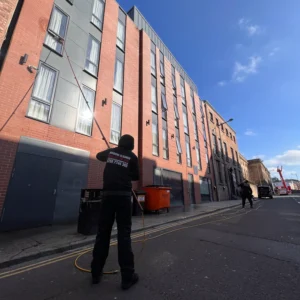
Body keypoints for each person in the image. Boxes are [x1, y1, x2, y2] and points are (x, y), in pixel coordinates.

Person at [91, 134, 139, 290]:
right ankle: (127, 277)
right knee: (124, 235)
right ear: (131, 145)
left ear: (119, 143)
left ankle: (96, 273)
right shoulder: (132, 157)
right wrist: (125, 170)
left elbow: (99, 156)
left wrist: (111, 155)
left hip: (107, 197)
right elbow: (136, 176)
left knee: (102, 234)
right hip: (123, 198)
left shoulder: (111, 153)